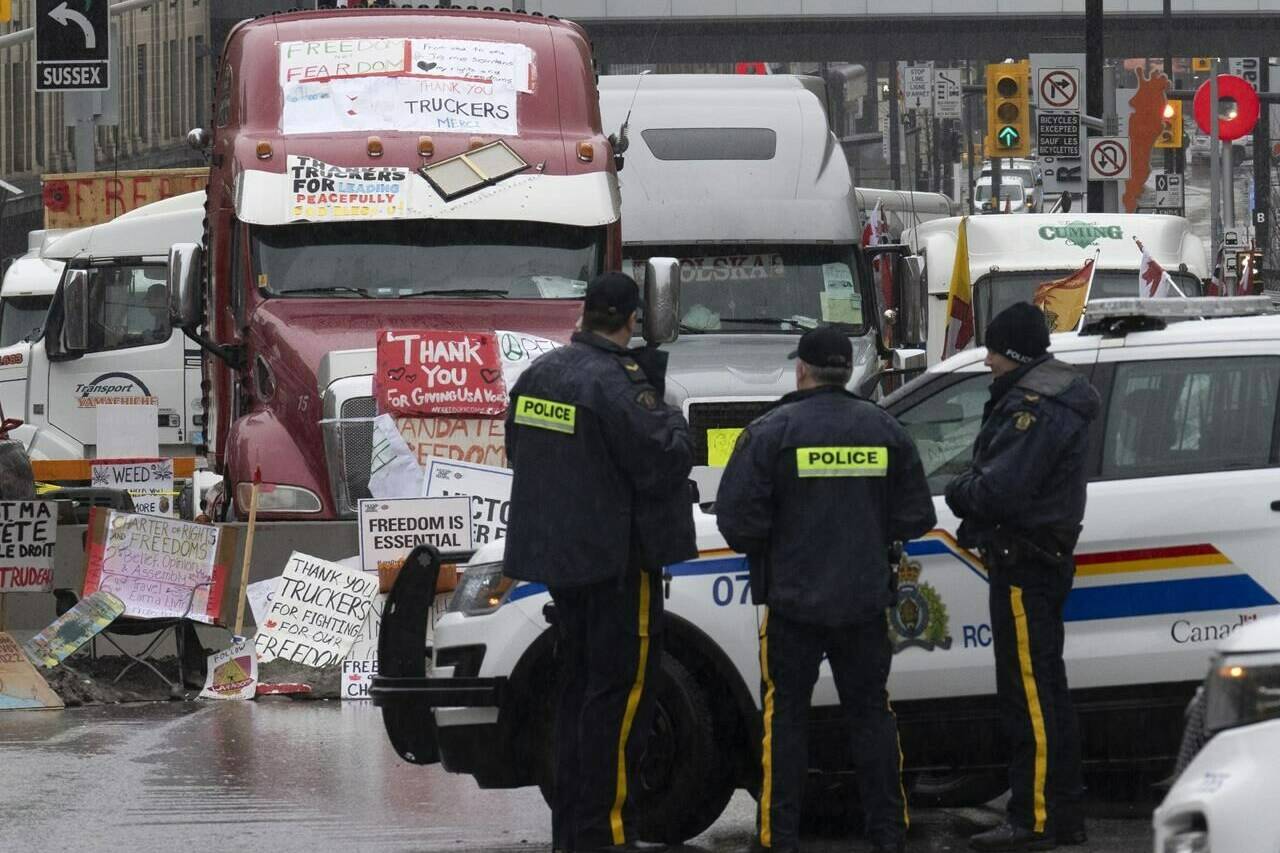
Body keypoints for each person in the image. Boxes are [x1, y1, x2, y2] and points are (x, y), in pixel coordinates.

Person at [715, 326, 937, 853]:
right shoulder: (884, 429)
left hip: (792, 605)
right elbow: (917, 515)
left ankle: (778, 838)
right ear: (845, 371)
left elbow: (737, 521)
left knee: (786, 718)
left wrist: (784, 540)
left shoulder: (771, 432)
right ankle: (888, 834)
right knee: (872, 716)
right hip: (864, 602)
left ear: (803, 370)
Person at [504, 271, 697, 853]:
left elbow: (521, 453)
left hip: (564, 563)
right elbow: (663, 458)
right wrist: (676, 423)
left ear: (586, 312)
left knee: (578, 696)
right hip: (618, 564)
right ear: (631, 320)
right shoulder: (618, 385)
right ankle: (606, 834)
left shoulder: (538, 375)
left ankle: (574, 831)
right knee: (620, 701)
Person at [944, 302, 1100, 852]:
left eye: (991, 351)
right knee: (1044, 692)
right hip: (1033, 559)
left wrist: (958, 490)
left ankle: (1033, 819)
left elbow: (996, 490)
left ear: (1012, 354)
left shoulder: (1034, 407)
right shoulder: (1044, 398)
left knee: (1030, 696)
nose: (986, 361)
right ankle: (1057, 813)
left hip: (1024, 561)